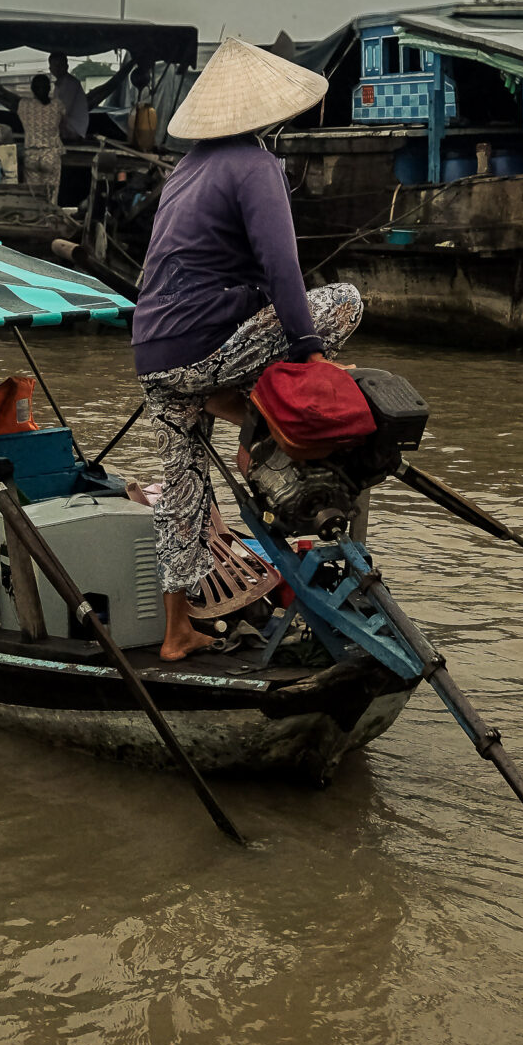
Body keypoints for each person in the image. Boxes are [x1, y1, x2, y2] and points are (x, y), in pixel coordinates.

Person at [130, 36, 362, 661]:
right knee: (342, 300)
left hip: (153, 353)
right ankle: (263, 416)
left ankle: (177, 631)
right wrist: (312, 356)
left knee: (182, 493)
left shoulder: (187, 169)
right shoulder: (255, 164)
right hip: (205, 349)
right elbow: (285, 270)